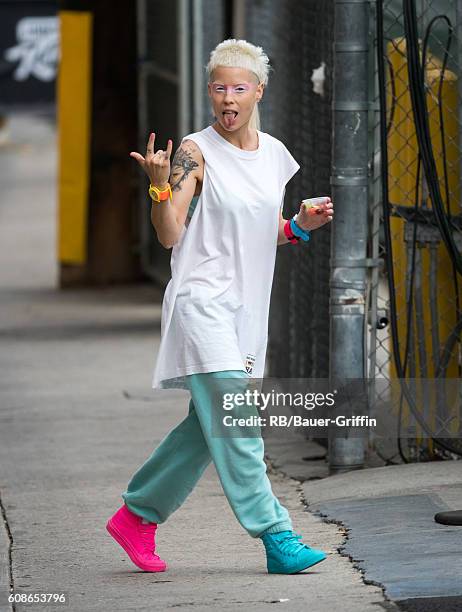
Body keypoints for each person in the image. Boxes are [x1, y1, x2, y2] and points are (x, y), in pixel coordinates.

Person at [106, 39, 334, 575]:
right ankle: (276, 534)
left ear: (258, 90)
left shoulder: (275, 155)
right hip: (201, 301)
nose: (228, 98)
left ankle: (137, 514)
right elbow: (170, 236)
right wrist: (161, 189)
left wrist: (300, 226)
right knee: (236, 420)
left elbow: (261, 232)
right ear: (209, 92)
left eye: (239, 88)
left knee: (207, 425)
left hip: (244, 312)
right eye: (218, 87)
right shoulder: (194, 150)